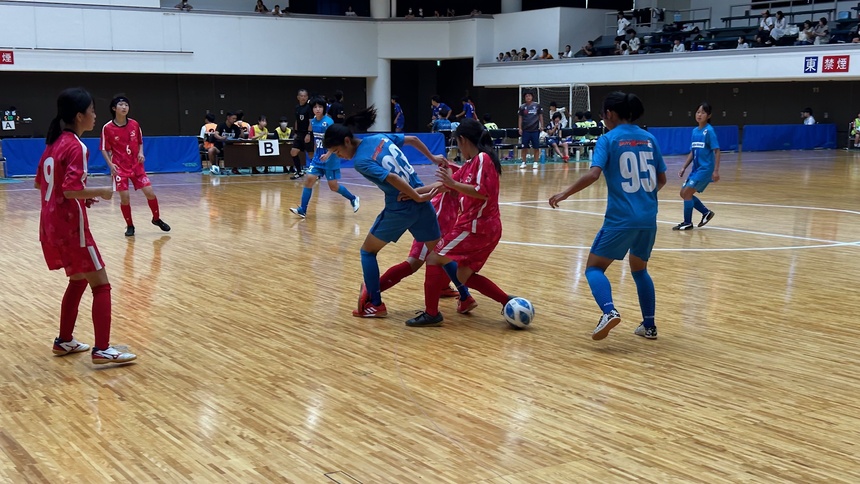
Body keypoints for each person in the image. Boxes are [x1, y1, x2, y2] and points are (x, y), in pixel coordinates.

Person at [548, 92, 667, 341]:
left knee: (594, 268)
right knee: (640, 270)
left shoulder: (608, 139)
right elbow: (662, 179)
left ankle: (609, 311)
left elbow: (593, 174)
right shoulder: (649, 138)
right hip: (648, 218)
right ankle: (649, 325)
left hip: (621, 219)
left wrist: (565, 193)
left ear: (609, 114)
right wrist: (642, 198)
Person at [36, 87, 137, 365]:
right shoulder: (76, 146)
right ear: (79, 116)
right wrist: (101, 191)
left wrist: (82, 196)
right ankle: (102, 349)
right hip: (72, 228)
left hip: (50, 224)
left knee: (78, 279)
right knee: (101, 285)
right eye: (92, 110)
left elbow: (41, 184)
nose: (94, 115)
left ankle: (64, 341)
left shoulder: (53, 143)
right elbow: (69, 190)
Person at [323, 107, 447, 318]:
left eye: (337, 152)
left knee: (367, 252)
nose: (340, 156)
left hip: (400, 206)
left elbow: (393, 178)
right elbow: (414, 140)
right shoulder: (378, 138)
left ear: (346, 141)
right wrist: (433, 157)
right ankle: (465, 295)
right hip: (422, 202)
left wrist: (416, 196)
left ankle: (376, 305)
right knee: (440, 254)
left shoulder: (361, 161)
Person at [407, 118, 514, 327]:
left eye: (457, 142)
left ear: (463, 139)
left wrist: (453, 183)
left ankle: (431, 314)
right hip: (483, 228)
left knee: (434, 258)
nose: (458, 148)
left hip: (476, 227)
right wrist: (411, 192)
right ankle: (507, 301)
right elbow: (448, 185)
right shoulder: (471, 163)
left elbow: (482, 191)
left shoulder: (482, 158)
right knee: (463, 275)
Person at [100, 95, 170, 237]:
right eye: (121, 105)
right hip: (119, 167)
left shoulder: (134, 124)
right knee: (125, 198)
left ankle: (156, 219)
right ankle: (130, 225)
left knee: (150, 192)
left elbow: (140, 141)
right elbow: (103, 148)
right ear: (114, 108)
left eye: (126, 105)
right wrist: (110, 165)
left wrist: (141, 152)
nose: (124, 107)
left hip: (136, 166)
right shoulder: (107, 128)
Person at [288, 98, 359, 218]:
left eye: (320, 107)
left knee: (333, 186)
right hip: (318, 158)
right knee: (309, 180)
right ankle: (302, 210)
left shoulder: (328, 122)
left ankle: (353, 198)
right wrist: (315, 154)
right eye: (315, 107)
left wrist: (327, 154)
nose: (317, 109)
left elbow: (335, 141)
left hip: (330, 159)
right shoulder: (313, 122)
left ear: (324, 108)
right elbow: (317, 141)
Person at [673, 102, 720, 231]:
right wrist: (684, 167)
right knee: (683, 193)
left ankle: (687, 222)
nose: (699, 115)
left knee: (687, 193)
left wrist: (716, 171)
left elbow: (717, 150)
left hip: (705, 169)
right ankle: (706, 213)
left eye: (703, 112)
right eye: (698, 112)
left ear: (709, 115)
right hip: (695, 169)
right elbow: (692, 151)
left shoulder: (709, 131)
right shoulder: (694, 131)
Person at [518, 90, 543, 169]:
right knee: (524, 147)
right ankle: (523, 162)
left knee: (536, 147)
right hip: (525, 130)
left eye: (529, 96)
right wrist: (520, 128)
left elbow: (540, 116)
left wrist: (542, 125)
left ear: (532, 97)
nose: (528, 97)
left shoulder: (537, 106)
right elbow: (520, 118)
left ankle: (535, 162)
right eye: (526, 96)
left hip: (535, 130)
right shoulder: (522, 107)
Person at [291, 88, 313, 179]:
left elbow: (311, 121)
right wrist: (296, 132)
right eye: (301, 96)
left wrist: (309, 133)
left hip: (307, 133)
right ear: (298, 97)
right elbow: (297, 120)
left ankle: (316, 173)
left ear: (307, 97)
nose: (303, 98)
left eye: (305, 96)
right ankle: (299, 171)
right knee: (293, 152)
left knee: (311, 154)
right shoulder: (297, 108)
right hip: (299, 134)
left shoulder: (309, 108)